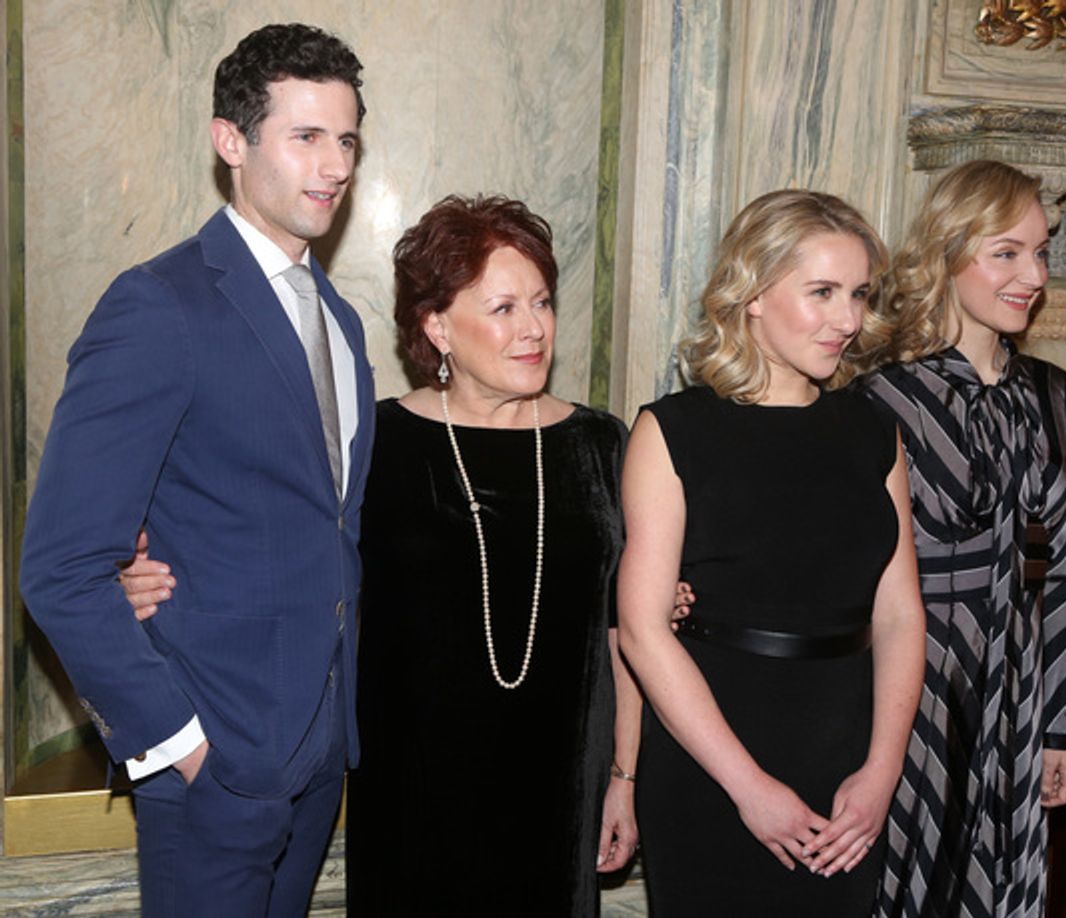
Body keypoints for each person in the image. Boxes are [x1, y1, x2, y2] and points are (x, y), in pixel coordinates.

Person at [124, 194, 641, 914]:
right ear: (437, 326)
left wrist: (624, 777)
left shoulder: (602, 445)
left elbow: (625, 630)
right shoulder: (375, 442)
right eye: (503, 308)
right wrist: (137, 576)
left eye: (543, 303)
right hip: (411, 791)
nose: (534, 328)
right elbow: (272, 552)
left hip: (560, 791)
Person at [19, 24, 374, 916]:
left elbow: (326, 527)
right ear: (231, 141)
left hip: (318, 758)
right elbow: (59, 566)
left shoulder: (341, 321)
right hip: (214, 764)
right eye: (306, 136)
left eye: (347, 140)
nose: (334, 165)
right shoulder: (159, 304)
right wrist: (181, 746)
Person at [618, 189, 927, 916]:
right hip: (710, 761)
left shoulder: (872, 432)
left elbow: (900, 616)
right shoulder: (673, 431)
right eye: (822, 292)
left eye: (858, 294)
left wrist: (882, 771)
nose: (848, 320)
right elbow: (641, 630)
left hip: (847, 762)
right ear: (752, 293)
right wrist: (749, 788)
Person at [858, 160, 1066, 917]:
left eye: (1041, 252)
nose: (1034, 276)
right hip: (913, 693)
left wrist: (1058, 727)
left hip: (1019, 700)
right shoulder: (881, 397)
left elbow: (1065, 572)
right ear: (948, 252)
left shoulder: (1055, 397)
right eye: (1007, 253)